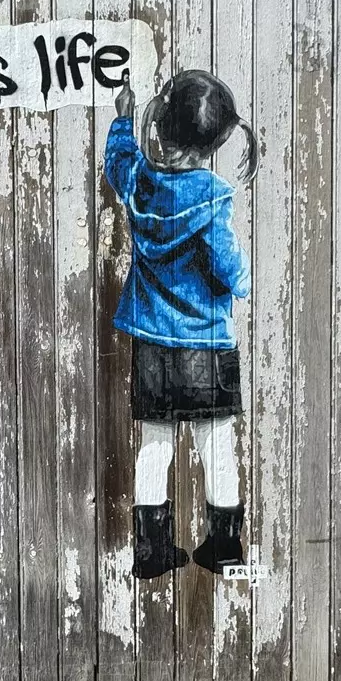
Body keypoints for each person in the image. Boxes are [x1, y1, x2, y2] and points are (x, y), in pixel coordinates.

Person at [105, 69, 257, 578]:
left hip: (153, 346)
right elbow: (230, 270)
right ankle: (225, 549)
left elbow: (118, 163)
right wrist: (243, 281)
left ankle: (151, 552)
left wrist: (123, 118)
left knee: (155, 447)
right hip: (207, 346)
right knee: (217, 447)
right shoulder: (212, 196)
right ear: (213, 143)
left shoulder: (141, 185)